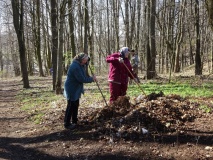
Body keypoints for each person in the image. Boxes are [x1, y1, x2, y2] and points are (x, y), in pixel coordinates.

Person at [63, 53, 96, 130]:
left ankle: (74, 121)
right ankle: (67, 123)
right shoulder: (75, 67)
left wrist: (86, 64)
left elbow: (83, 75)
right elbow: (82, 79)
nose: (86, 60)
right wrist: (92, 79)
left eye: (87, 59)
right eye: (85, 59)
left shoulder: (80, 65)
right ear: (81, 59)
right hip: (71, 88)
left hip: (76, 88)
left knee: (75, 104)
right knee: (71, 105)